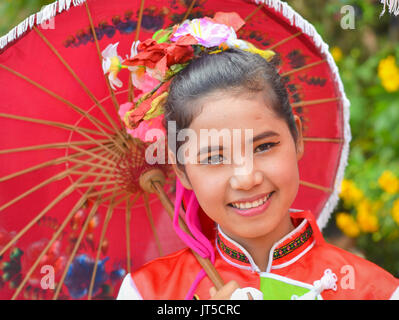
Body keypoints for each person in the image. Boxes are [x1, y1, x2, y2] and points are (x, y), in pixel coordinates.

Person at [116, 47, 399, 300]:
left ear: (297, 137)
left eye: (264, 146)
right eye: (214, 158)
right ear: (183, 171)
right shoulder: (147, 292)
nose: (247, 177)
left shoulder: (376, 291)